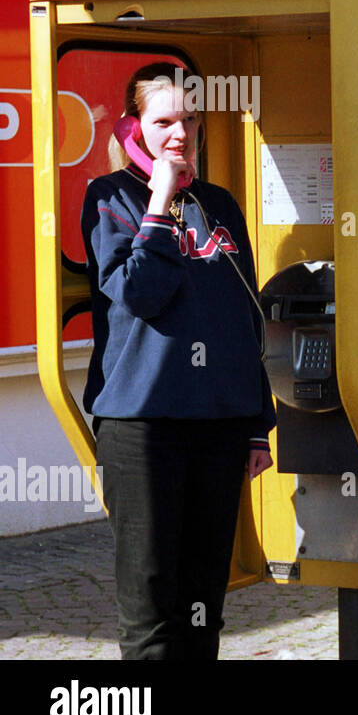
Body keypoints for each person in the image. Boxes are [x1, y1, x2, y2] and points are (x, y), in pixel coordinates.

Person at [81, 62, 275, 659]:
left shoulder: (219, 205)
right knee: (151, 606)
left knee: (202, 605)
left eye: (188, 119)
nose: (179, 133)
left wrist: (254, 427)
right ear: (132, 129)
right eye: (163, 120)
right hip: (144, 425)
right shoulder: (109, 199)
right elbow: (140, 292)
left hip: (216, 426)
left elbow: (242, 319)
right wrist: (161, 200)